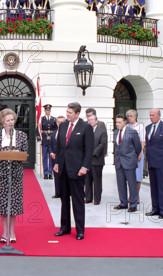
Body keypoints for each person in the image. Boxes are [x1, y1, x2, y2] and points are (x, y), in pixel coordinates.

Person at [53, 102, 94, 240]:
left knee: (77, 201)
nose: (67, 114)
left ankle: (80, 230)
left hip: (77, 171)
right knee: (64, 200)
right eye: (67, 111)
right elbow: (59, 147)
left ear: (77, 113)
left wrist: (85, 167)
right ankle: (64, 227)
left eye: (70, 112)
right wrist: (57, 163)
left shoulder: (86, 127)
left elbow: (89, 151)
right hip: (63, 169)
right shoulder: (63, 125)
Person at [0, 108, 29, 243]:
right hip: (1, 174)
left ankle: (12, 232)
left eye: (12, 120)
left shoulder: (21, 135)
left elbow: (26, 154)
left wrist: (16, 154)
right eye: (8, 120)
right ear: (2, 122)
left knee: (13, 205)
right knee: (3, 205)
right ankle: (4, 232)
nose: (11, 122)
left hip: (15, 174)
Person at [113, 114, 142, 212]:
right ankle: (123, 203)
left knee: (132, 184)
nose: (118, 124)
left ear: (125, 122)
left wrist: (133, 157)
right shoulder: (115, 132)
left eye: (120, 122)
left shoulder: (132, 132)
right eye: (116, 122)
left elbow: (138, 147)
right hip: (119, 162)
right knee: (120, 183)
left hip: (129, 162)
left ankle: (133, 204)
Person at [85, 114, 107, 205]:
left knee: (97, 180)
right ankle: (88, 197)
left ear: (96, 121)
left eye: (92, 120)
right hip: (87, 160)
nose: (90, 121)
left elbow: (102, 144)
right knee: (87, 180)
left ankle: (97, 199)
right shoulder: (85, 131)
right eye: (89, 120)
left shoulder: (102, 131)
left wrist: (93, 153)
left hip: (97, 159)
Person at [126, 109, 145, 203]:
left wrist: (140, 153)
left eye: (131, 116)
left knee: (137, 176)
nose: (130, 118)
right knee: (130, 176)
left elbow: (143, 141)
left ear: (135, 117)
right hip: (129, 155)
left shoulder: (140, 127)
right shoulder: (127, 127)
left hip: (137, 153)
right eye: (128, 116)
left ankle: (136, 195)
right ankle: (131, 195)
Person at [39, 104, 57, 180]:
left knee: (51, 157)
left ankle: (50, 173)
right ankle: (45, 173)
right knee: (45, 157)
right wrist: (39, 138)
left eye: (49, 110)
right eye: (47, 110)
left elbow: (56, 129)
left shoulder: (53, 119)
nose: (48, 111)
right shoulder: (42, 119)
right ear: (44, 111)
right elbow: (39, 129)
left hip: (51, 140)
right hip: (45, 140)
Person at [51, 115, 65, 199]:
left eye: (62, 122)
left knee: (64, 176)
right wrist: (51, 153)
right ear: (56, 123)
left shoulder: (67, 133)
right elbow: (50, 144)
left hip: (64, 158)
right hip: (54, 157)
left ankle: (65, 193)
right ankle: (57, 193)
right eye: (58, 122)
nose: (60, 124)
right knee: (56, 175)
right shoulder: (54, 132)